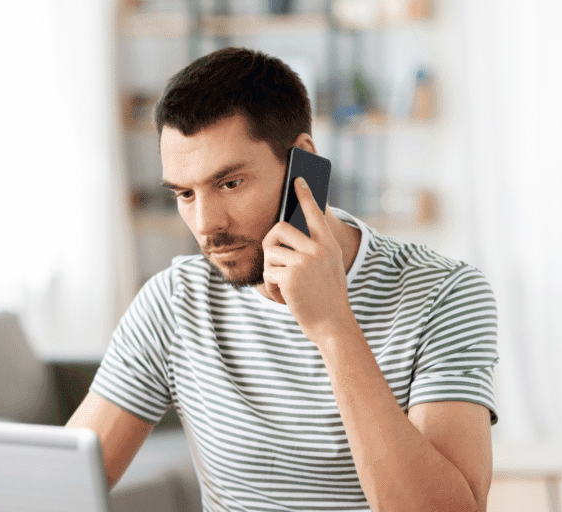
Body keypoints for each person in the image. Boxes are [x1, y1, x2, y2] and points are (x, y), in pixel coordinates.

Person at [68, 47, 499, 512]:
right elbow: (61, 487)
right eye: (186, 194)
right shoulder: (175, 302)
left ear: (304, 165)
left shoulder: (444, 293)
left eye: (230, 183)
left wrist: (333, 328)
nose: (206, 223)